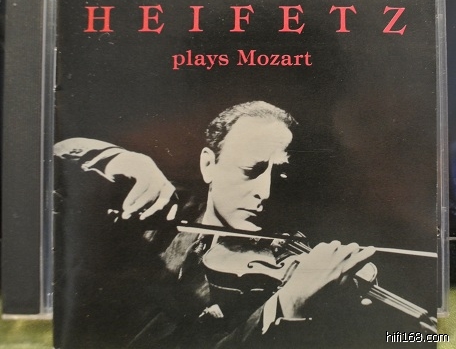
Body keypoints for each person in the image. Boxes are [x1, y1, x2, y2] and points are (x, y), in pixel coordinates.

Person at [54, 101, 376, 349]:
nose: (265, 192)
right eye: (250, 170)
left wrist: (290, 307)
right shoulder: (160, 207)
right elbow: (54, 157)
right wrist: (118, 159)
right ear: (209, 165)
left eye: (280, 175)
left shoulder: (277, 275)